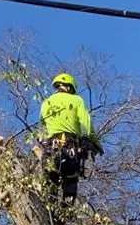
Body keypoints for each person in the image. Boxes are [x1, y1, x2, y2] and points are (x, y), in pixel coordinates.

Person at [38, 73, 103, 210]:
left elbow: (40, 131)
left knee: (50, 182)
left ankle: (48, 211)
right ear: (69, 87)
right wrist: (95, 143)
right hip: (70, 148)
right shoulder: (76, 100)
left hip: (50, 149)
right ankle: (64, 216)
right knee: (70, 182)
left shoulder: (46, 103)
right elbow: (87, 123)